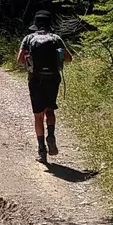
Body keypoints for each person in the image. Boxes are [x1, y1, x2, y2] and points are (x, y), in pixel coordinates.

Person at [17, 9, 73, 164]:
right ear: (50, 23)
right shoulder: (56, 38)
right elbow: (69, 58)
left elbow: (20, 60)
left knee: (38, 115)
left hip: (35, 80)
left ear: (35, 23)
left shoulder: (28, 38)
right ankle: (51, 135)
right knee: (50, 110)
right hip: (52, 80)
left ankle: (42, 150)